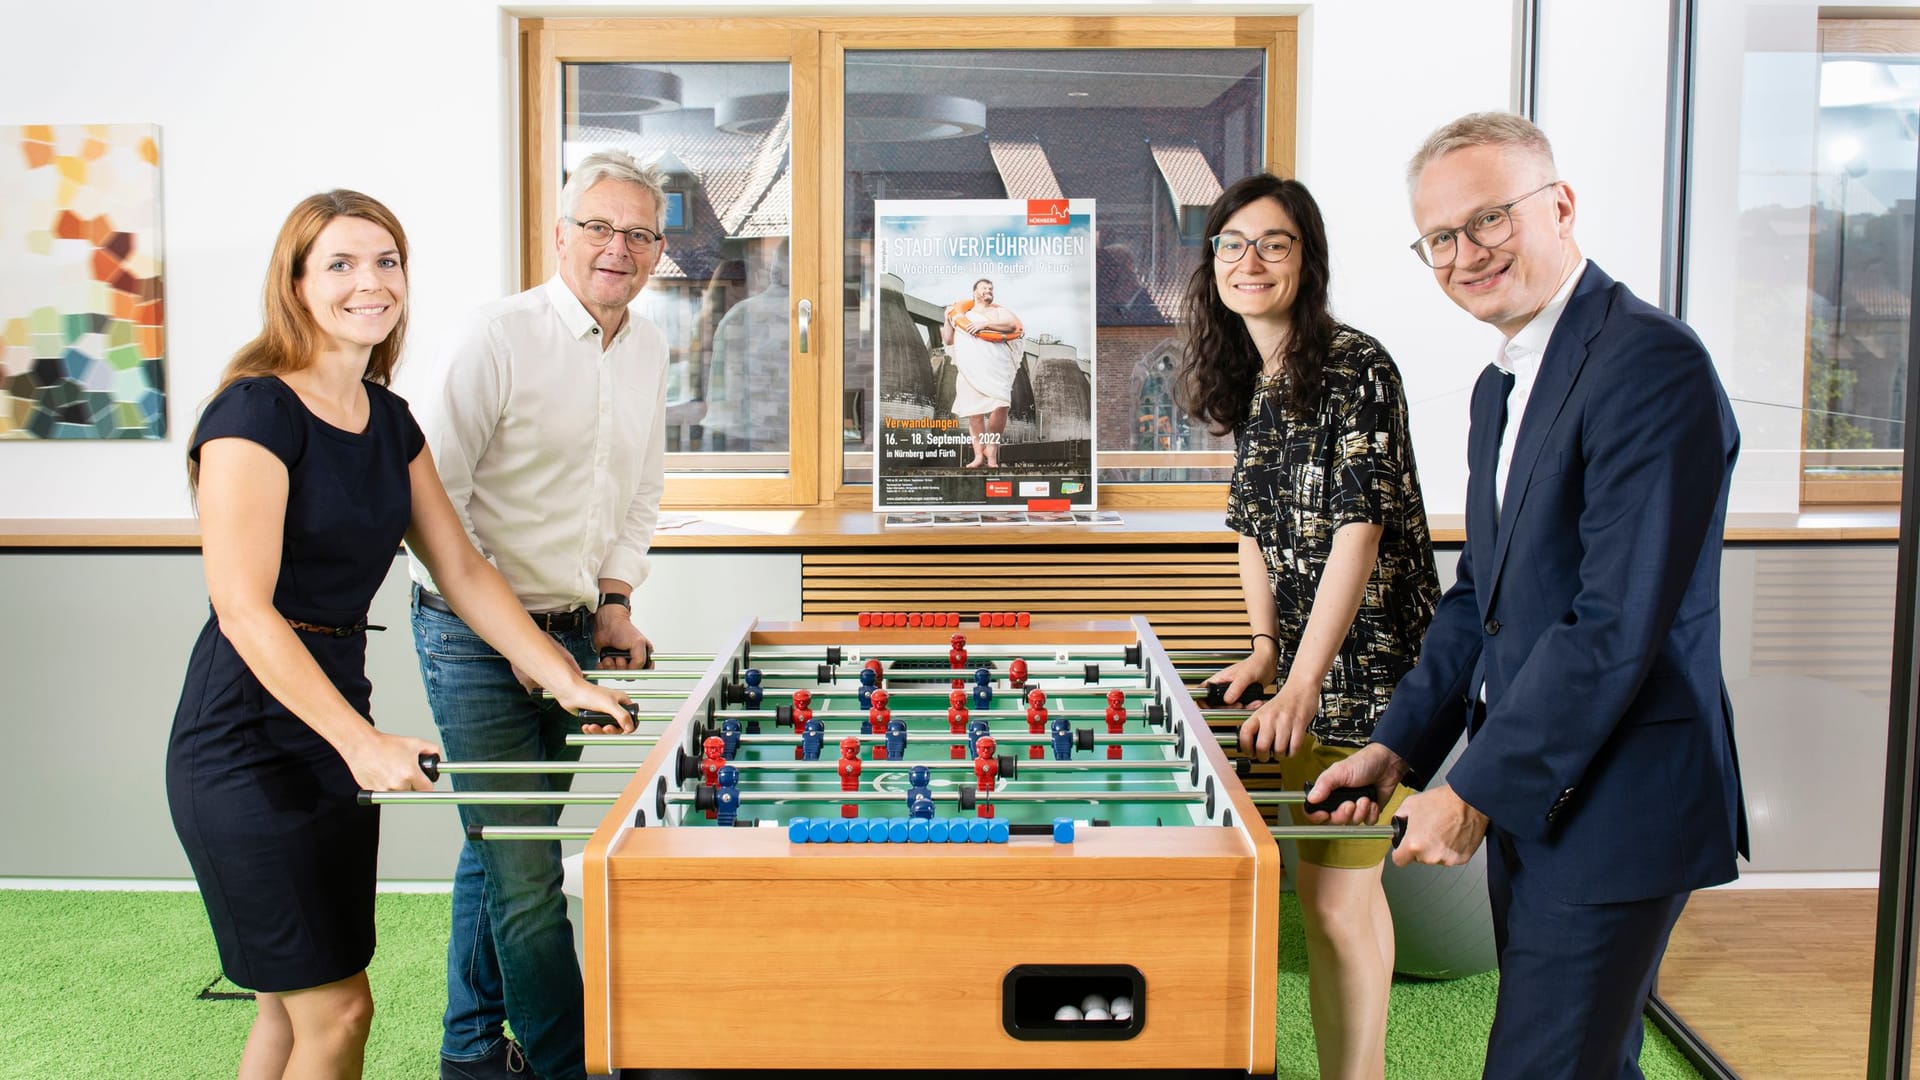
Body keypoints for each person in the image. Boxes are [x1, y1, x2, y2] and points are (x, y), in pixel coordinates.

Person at [1310, 113, 1748, 1080]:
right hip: (1548, 796)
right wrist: (1396, 747)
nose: (1467, 254)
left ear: (1560, 206)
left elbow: (1615, 625)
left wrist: (1470, 790)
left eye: (1490, 219)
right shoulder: (1497, 387)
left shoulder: (1651, 365)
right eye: (1440, 239)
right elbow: (1485, 601)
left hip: (1622, 803)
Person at [167, 190, 631, 1080]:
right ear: (295, 284)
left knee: (288, 1012)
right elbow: (243, 608)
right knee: (339, 1010)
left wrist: (562, 676)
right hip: (244, 741)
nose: (369, 283)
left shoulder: (388, 420)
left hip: (335, 723)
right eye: (339, 263)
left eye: (386, 261)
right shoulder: (253, 413)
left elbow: (460, 569)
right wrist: (360, 741)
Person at [406, 148, 670, 1080]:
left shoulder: (648, 343)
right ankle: (570, 1065)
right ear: (559, 235)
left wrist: (613, 601)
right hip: (468, 632)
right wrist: (512, 637)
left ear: (658, 251)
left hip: (568, 629)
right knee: (527, 875)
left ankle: (470, 1054)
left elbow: (640, 486)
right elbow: (429, 503)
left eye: (639, 233)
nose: (617, 247)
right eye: (598, 226)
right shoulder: (495, 336)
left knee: (498, 845)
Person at [1181, 172, 1440, 1080]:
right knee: (1347, 897)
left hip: (1371, 679)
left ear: (1308, 260)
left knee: (1333, 904)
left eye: (1274, 244)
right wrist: (1263, 649)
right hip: (1305, 671)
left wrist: (1300, 682)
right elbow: (1253, 528)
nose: (1250, 261)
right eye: (1232, 244)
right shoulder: (1261, 376)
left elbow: (1357, 538)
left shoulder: (1355, 367)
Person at [941, 278, 1023, 467]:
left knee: (1002, 405)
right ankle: (979, 455)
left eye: (991, 288)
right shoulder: (964, 314)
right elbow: (948, 340)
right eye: (984, 287)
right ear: (974, 293)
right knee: (974, 413)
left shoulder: (997, 311)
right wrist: (947, 318)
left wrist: (984, 325)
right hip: (970, 368)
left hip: (996, 366)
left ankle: (991, 448)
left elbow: (1011, 326)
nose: (989, 290)